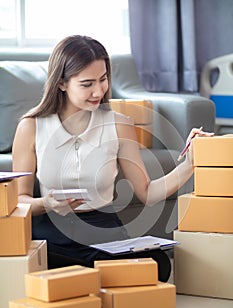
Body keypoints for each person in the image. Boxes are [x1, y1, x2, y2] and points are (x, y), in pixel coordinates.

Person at [12, 35, 213, 282]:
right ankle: (89, 281)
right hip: (52, 231)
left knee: (158, 265)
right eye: (87, 84)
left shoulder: (119, 125)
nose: (99, 91)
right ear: (62, 83)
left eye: (103, 79)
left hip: (103, 227)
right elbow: (19, 201)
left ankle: (84, 281)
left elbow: (147, 192)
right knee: (31, 267)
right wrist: (47, 203)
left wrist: (190, 163)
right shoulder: (31, 127)